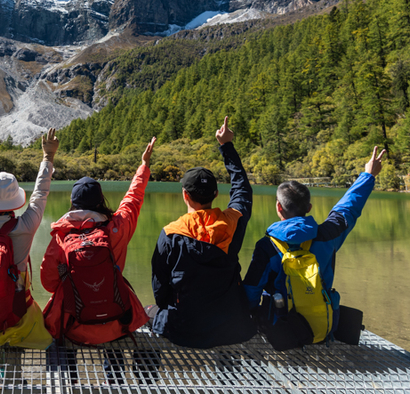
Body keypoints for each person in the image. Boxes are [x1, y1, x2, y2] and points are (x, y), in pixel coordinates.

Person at [244, 146, 386, 349]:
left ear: (278, 207)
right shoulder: (327, 235)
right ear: (309, 208)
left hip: (280, 329)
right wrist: (368, 175)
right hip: (324, 326)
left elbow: (251, 292)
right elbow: (348, 208)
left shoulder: (267, 246)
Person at [41, 137, 155, 383]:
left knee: (59, 330)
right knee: (115, 336)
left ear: (72, 203)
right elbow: (133, 199)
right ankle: (116, 383)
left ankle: (68, 381)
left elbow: (49, 282)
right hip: (117, 321)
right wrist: (144, 165)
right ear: (101, 201)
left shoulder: (61, 236)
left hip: (75, 324)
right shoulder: (117, 227)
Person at [150, 116, 257, 348]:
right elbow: (242, 190)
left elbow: (160, 288)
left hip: (183, 328)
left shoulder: (170, 233)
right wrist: (226, 146)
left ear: (185, 195)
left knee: (150, 312)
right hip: (231, 327)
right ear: (216, 194)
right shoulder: (232, 222)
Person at [0, 128, 58, 352]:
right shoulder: (25, 226)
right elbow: (40, 194)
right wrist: (48, 156)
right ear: (16, 202)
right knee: (29, 317)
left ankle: (4, 375)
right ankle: (13, 375)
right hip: (17, 315)